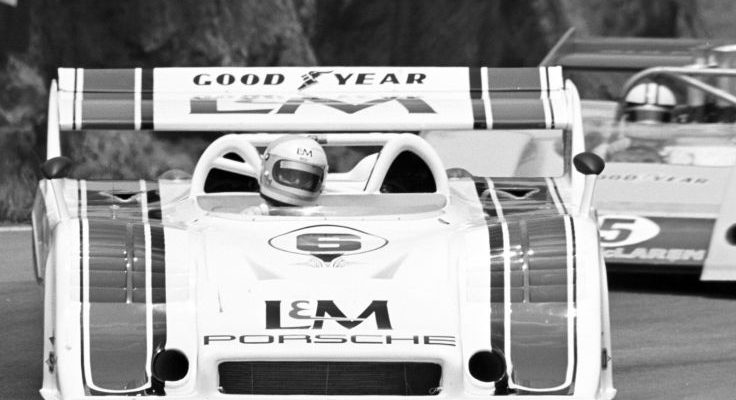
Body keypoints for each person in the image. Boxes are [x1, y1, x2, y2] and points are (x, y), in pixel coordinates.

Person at [245, 136, 328, 215]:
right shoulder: (252, 216)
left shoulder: (321, 218)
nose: (297, 181)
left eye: (305, 178)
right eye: (289, 175)